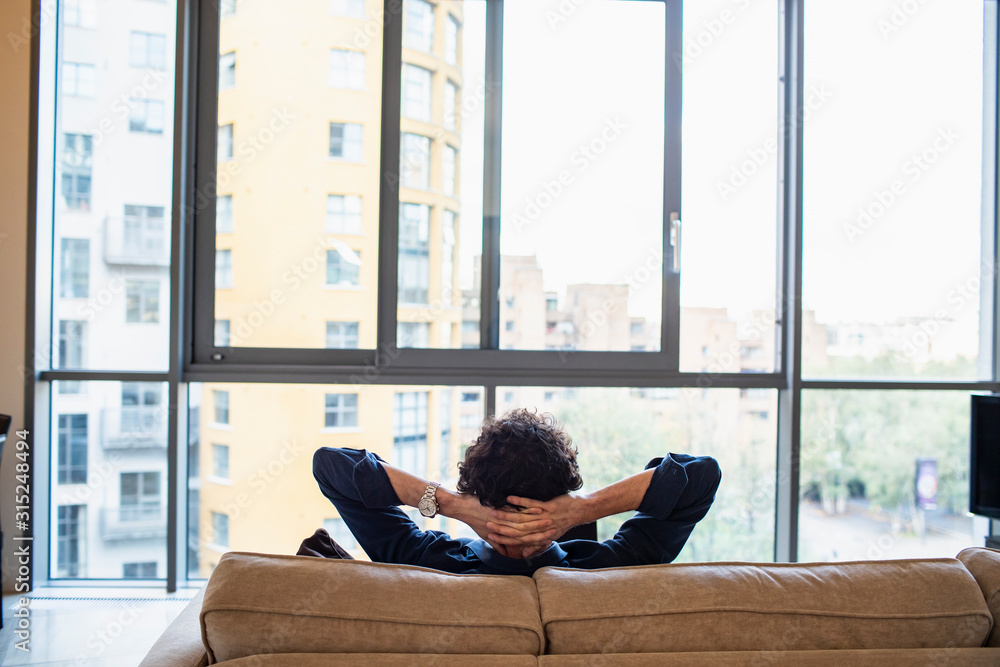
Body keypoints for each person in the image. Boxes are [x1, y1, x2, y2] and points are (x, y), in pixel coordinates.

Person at [298, 408, 721, 575]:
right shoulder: (612, 568)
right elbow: (699, 477)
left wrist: (452, 504)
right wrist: (582, 510)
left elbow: (332, 465)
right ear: (562, 496)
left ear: (477, 495)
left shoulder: (423, 563)